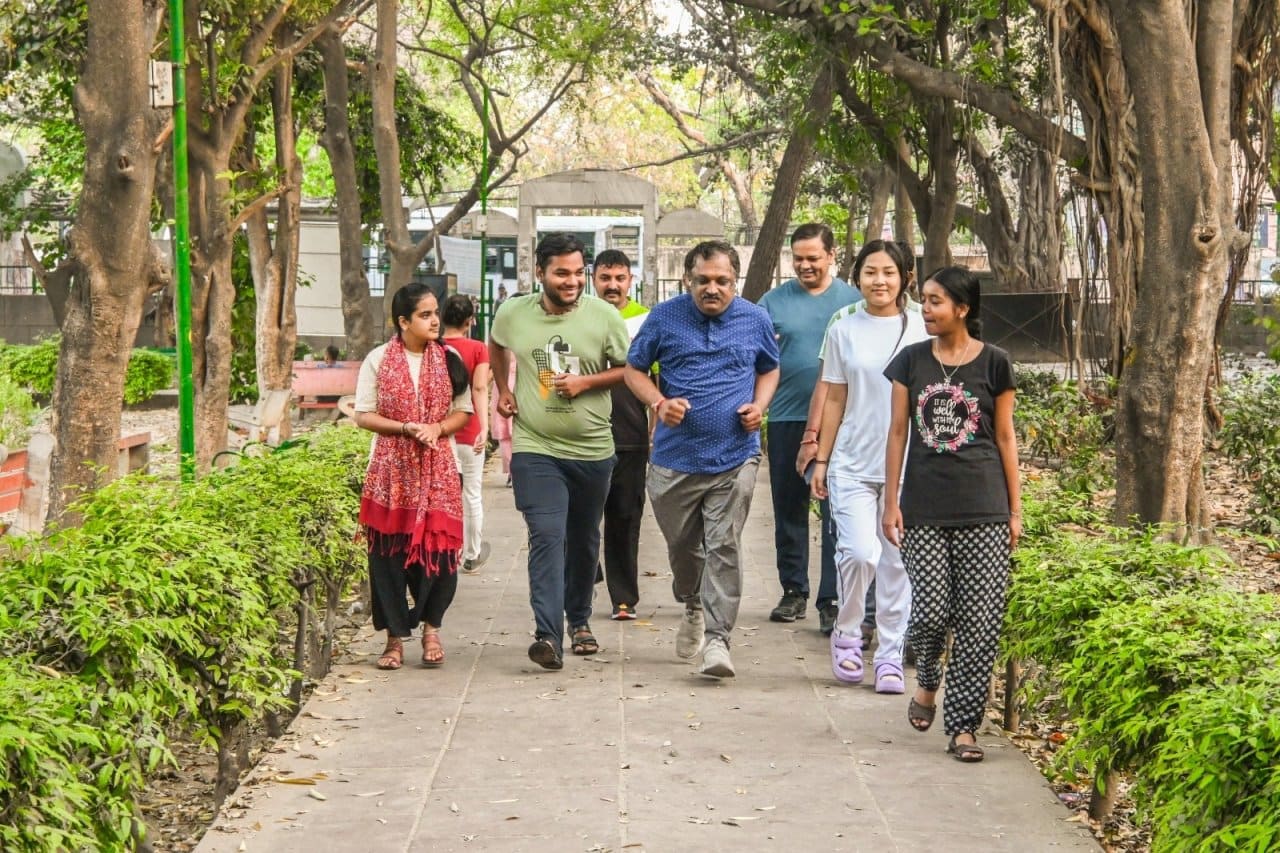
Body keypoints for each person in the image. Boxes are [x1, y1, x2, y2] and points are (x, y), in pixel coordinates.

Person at [882, 266, 1022, 763]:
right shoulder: (910, 361)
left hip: (984, 507)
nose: (925, 308)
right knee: (931, 612)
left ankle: (963, 727)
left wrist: (1014, 510)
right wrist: (891, 502)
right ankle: (927, 680)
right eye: (924, 299)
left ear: (962, 308)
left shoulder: (996, 362)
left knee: (979, 623)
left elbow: (1005, 436)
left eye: (936, 300)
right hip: (923, 508)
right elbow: (898, 432)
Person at [625, 240, 779, 679]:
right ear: (687, 279)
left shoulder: (754, 319)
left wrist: (759, 406)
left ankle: (718, 640)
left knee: (723, 546)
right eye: (703, 280)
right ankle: (692, 601)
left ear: (735, 281)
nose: (713, 288)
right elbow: (635, 370)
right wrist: (659, 403)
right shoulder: (664, 317)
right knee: (683, 548)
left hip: (735, 457)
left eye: (723, 281)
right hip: (674, 460)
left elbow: (769, 367)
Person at [489, 233, 630, 671]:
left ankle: (580, 619)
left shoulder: (604, 317)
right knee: (547, 535)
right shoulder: (514, 312)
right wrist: (503, 388)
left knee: (584, 540)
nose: (572, 282)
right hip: (536, 446)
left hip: (593, 449)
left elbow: (630, 368)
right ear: (540, 273)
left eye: (577, 273)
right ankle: (548, 635)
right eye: (561, 273)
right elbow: (496, 343)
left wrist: (586, 382)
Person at [810, 241, 928, 693]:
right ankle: (847, 630)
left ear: (905, 278)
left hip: (909, 467)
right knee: (859, 554)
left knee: (897, 563)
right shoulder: (844, 329)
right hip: (852, 463)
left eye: (889, 272)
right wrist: (822, 458)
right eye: (870, 272)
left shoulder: (923, 329)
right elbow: (834, 397)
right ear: (857, 276)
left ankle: (890, 654)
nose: (880, 281)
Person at [353, 282, 473, 670]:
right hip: (391, 474)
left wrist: (437, 429)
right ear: (403, 322)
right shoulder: (378, 359)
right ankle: (394, 638)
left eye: (436, 312)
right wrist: (405, 428)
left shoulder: (450, 358)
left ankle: (432, 628)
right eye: (425, 315)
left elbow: (464, 411)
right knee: (388, 560)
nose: (435, 320)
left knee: (440, 556)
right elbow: (363, 415)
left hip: (440, 472)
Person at [758, 224, 860, 632]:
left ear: (832, 256)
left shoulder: (853, 302)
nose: (804, 265)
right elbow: (756, 357)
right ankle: (793, 590)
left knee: (836, 511)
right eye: (798, 258)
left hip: (843, 423)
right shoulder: (772, 302)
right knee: (788, 508)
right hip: (786, 417)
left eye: (813, 258)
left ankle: (831, 598)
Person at [592, 249, 653, 621]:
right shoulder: (579, 315)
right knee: (579, 518)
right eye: (605, 278)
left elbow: (659, 380)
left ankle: (624, 597)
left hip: (630, 436)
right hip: (582, 436)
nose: (612, 285)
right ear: (593, 280)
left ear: (631, 281)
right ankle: (585, 576)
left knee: (625, 518)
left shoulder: (647, 321)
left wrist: (656, 433)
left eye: (619, 278)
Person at [442, 293, 492, 573]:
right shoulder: (477, 348)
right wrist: (484, 427)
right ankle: (471, 555)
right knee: (471, 494)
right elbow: (480, 388)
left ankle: (445, 552)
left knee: (442, 496)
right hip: (469, 430)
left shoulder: (432, 347)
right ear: (469, 321)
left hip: (440, 431)